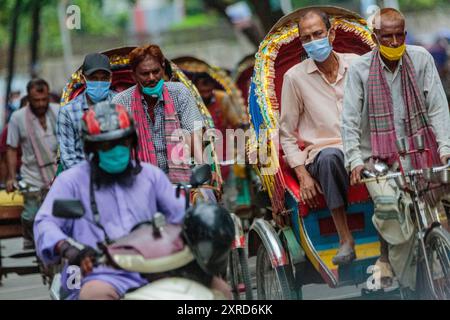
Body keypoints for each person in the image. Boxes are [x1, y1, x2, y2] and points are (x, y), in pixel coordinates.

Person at [341, 8, 450, 290]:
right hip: (377, 159)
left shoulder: (421, 58)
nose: (392, 42)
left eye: (398, 35)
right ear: (375, 37)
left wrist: (445, 147)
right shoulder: (360, 69)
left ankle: (438, 258)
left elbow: (437, 107)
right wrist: (354, 160)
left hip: (421, 151)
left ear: (405, 34)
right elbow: (350, 120)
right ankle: (407, 285)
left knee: (437, 210)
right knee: (397, 221)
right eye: (386, 36)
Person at [34, 102, 186, 300]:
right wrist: (69, 250)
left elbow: (180, 215)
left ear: (131, 141)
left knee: (215, 288)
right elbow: (45, 223)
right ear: (91, 147)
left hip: (155, 267)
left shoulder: (152, 176)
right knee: (95, 295)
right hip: (99, 273)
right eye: (106, 145)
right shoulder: (71, 181)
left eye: (122, 142)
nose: (116, 150)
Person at [279, 9, 359, 265]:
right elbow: (287, 134)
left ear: (331, 33)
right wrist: (302, 175)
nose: (313, 42)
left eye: (318, 34)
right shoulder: (294, 78)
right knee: (330, 157)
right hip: (324, 155)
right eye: (306, 38)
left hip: (362, 150)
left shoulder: (358, 64)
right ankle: (345, 238)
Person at [112, 44, 205, 183]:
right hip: (139, 178)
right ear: (134, 76)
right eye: (144, 74)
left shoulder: (179, 93)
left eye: (156, 72)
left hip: (183, 176)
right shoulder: (120, 102)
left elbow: (195, 135)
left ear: (162, 69)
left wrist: (201, 170)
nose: (152, 78)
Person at [6, 78, 59, 248]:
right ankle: (30, 237)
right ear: (28, 99)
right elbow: (11, 148)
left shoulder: (58, 111)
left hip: (57, 173)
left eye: (44, 99)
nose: (41, 104)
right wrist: (11, 177)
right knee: (31, 215)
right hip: (31, 175)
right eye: (36, 100)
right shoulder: (17, 117)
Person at [57, 53, 116, 171]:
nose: (99, 82)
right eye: (94, 78)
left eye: (104, 78)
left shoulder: (121, 104)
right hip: (82, 177)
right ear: (83, 79)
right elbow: (68, 157)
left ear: (110, 78)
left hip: (116, 172)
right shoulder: (68, 111)